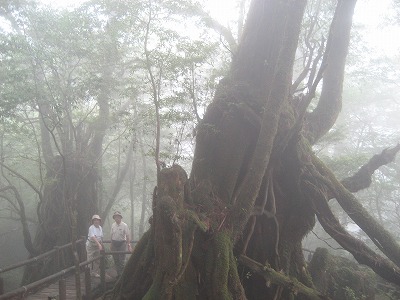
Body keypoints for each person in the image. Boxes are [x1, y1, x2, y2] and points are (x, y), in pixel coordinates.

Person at [110, 211, 132, 276]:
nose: (117, 218)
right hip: (114, 243)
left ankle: (122, 275)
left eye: (118, 217)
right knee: (116, 259)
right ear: (114, 218)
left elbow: (128, 235)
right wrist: (111, 244)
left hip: (122, 243)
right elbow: (111, 235)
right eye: (115, 217)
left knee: (121, 260)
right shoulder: (113, 225)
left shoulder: (124, 225)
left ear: (120, 218)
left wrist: (129, 245)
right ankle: (118, 274)